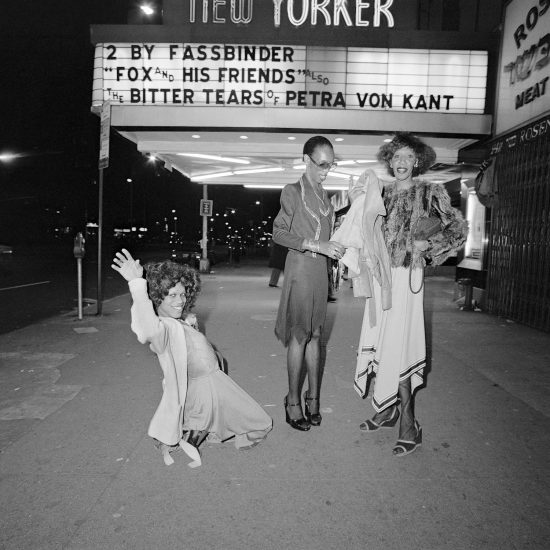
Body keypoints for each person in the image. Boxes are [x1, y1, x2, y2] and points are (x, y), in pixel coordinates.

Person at [340, 132, 467, 456]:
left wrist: (430, 247)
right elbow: (354, 227)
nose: (401, 163)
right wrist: (354, 201)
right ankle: (387, 409)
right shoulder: (379, 192)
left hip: (408, 279)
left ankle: (409, 424)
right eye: (396, 157)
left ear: (418, 161)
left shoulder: (430, 192)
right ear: (389, 161)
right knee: (382, 345)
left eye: (408, 157)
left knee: (399, 348)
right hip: (381, 280)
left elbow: (457, 228)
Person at [111, 249, 273, 467]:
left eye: (183, 294)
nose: (180, 300)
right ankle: (188, 437)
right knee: (258, 424)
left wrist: (187, 323)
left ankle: (188, 433)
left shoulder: (176, 322)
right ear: (157, 297)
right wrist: (137, 284)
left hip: (210, 382)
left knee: (248, 421)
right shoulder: (162, 328)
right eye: (172, 295)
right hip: (204, 386)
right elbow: (147, 328)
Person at [272, 136, 346, 431]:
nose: (327, 170)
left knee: (316, 335)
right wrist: (316, 245)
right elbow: (279, 233)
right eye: (322, 164)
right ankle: (293, 401)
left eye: (331, 164)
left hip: (319, 273)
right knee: (300, 336)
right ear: (306, 160)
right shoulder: (292, 192)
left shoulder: (325, 196)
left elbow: (328, 232)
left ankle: (313, 398)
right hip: (301, 268)